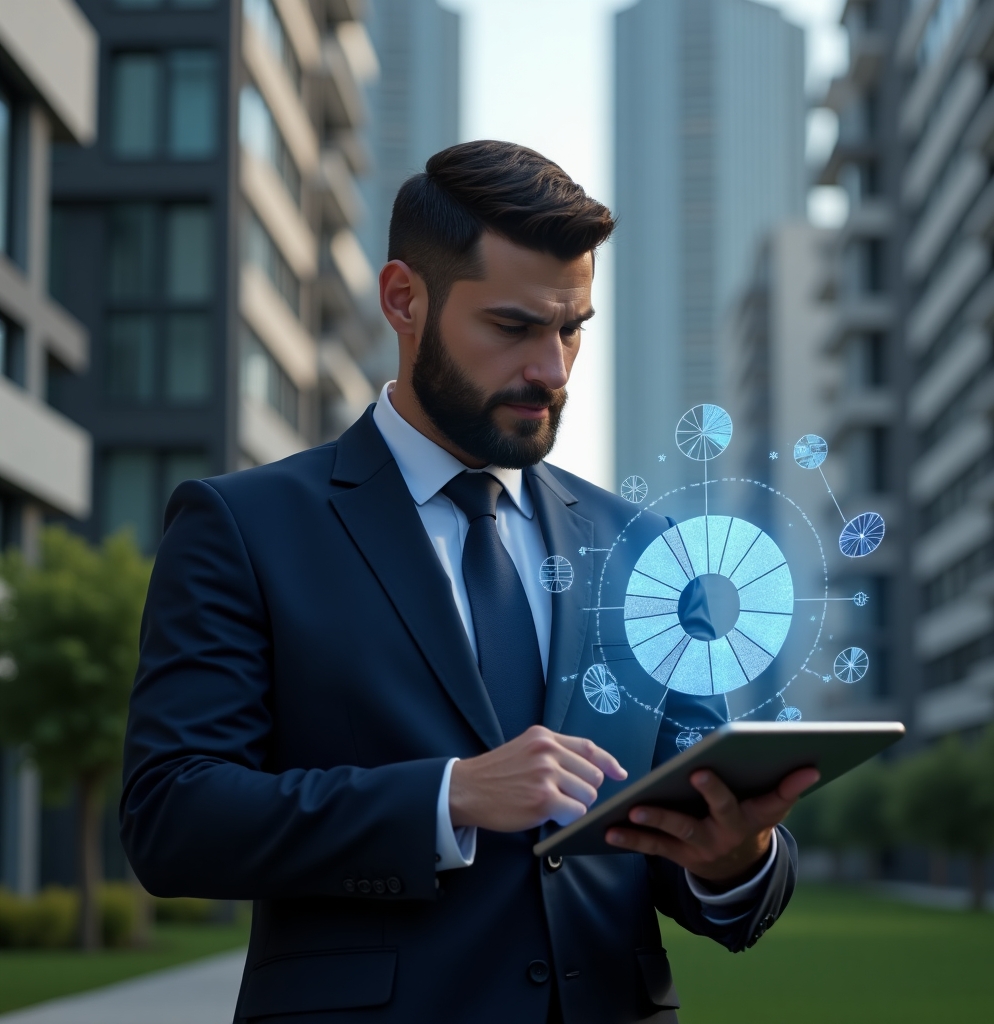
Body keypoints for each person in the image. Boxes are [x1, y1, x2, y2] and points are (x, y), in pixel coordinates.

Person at [121, 140, 818, 1024]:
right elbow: (173, 816)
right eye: (515, 327)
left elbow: (706, 854)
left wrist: (734, 856)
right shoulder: (244, 527)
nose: (554, 371)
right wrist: (446, 795)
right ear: (404, 300)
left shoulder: (646, 550)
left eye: (572, 329)